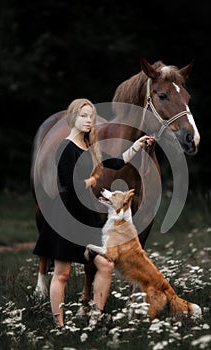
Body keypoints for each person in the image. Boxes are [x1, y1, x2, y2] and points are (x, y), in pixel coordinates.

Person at [33, 98, 153, 329]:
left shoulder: (91, 148)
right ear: (72, 119)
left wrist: (137, 145)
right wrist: (92, 179)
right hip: (66, 213)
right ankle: (59, 326)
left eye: (91, 116)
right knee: (62, 274)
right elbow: (70, 183)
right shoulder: (65, 147)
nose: (89, 121)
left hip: (86, 215)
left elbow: (117, 163)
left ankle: (95, 317)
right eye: (83, 116)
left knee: (106, 266)